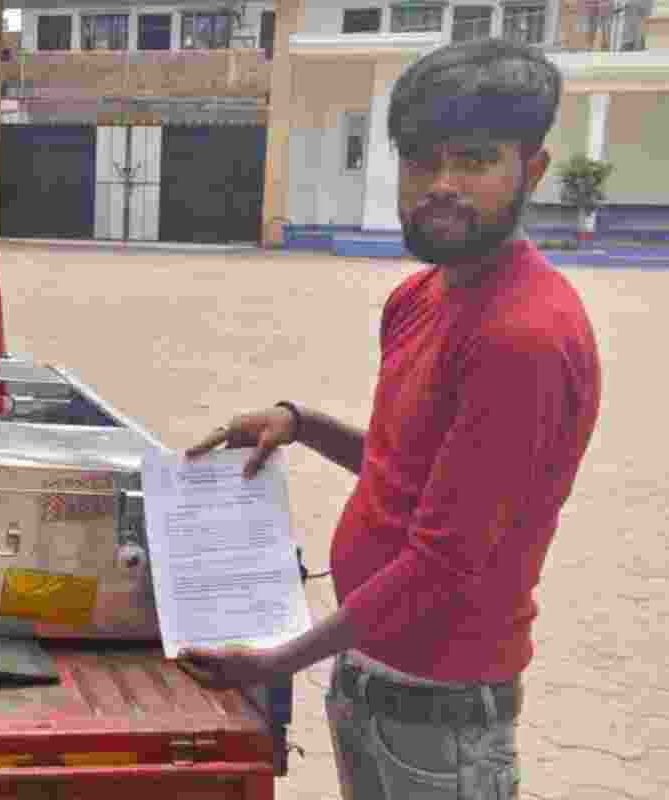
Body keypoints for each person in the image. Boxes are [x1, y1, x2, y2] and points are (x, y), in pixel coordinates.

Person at [177, 38, 601, 800]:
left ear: (530, 171)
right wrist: (301, 422)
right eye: (419, 162)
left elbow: (445, 556)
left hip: (441, 713)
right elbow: (417, 472)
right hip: (370, 671)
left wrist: (280, 661)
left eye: (472, 161)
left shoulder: (523, 336)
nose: (440, 186)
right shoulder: (422, 298)